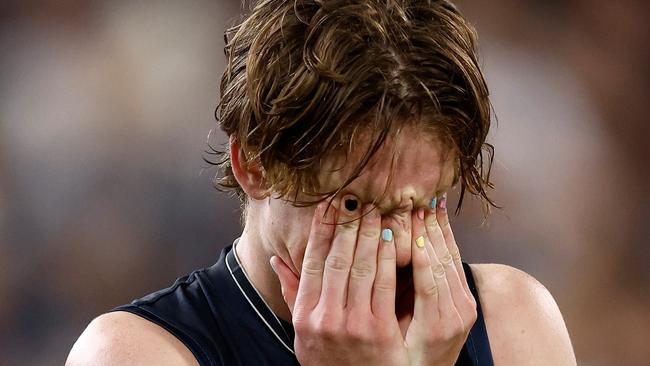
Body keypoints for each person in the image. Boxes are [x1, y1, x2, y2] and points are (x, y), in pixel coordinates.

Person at [66, 0, 576, 364]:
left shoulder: (513, 320)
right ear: (255, 166)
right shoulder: (132, 353)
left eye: (424, 205)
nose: (396, 248)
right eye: (353, 206)